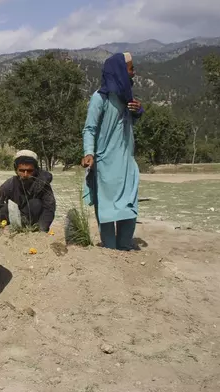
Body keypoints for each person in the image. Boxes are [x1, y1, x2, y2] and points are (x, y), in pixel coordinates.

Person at [82, 52, 144, 251]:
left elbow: (128, 123)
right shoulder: (99, 98)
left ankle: (125, 245)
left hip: (126, 162)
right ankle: (109, 250)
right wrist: (89, 152)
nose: (133, 73)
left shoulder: (127, 98)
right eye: (130, 69)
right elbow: (89, 128)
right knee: (107, 208)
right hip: (106, 163)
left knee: (129, 205)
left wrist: (138, 111)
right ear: (119, 70)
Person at [0, 150, 56, 232]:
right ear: (16, 170)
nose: (25, 174)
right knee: (3, 208)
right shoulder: (11, 183)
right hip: (11, 220)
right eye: (21, 170)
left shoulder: (43, 184)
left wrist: (42, 230)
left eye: (29, 171)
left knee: (35, 204)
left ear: (35, 170)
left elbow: (49, 208)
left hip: (32, 222)